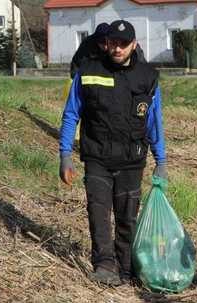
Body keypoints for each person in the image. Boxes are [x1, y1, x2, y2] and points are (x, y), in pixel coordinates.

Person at [59, 20, 167, 286]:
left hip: (132, 160)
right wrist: (65, 155)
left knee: (127, 216)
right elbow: (71, 113)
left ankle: (127, 266)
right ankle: (105, 265)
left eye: (123, 44)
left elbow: (154, 121)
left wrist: (161, 160)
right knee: (98, 213)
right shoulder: (87, 71)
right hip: (97, 157)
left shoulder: (148, 77)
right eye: (113, 43)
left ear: (134, 45)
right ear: (106, 44)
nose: (117, 49)